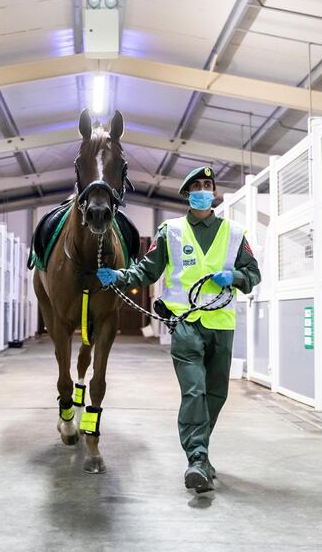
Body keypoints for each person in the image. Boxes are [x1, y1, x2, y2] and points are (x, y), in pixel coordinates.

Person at [96, 166, 261, 493]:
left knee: (216, 394)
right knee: (194, 391)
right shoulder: (169, 231)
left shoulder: (235, 233)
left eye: (207, 185)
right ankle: (196, 459)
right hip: (185, 324)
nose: (202, 189)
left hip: (222, 324)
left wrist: (237, 278)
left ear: (214, 192)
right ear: (187, 194)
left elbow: (254, 275)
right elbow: (147, 270)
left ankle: (201, 453)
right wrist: (119, 276)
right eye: (196, 185)